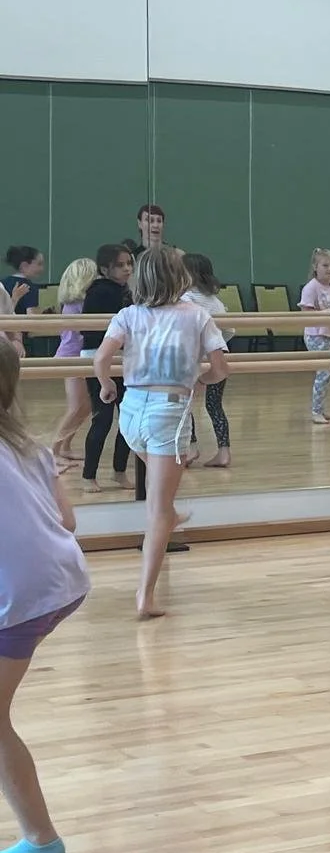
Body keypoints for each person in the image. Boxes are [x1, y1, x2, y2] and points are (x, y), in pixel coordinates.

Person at [94, 246, 229, 617]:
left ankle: (169, 513)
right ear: (180, 277)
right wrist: (201, 377)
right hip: (167, 415)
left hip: (131, 413)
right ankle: (145, 596)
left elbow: (101, 358)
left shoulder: (128, 314)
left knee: (165, 484)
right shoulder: (196, 316)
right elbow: (220, 369)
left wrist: (107, 385)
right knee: (158, 507)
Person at [0, 345, 91, 853]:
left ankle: (40, 840)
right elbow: (67, 520)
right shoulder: (27, 444)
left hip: (26, 594)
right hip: (64, 579)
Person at [80, 244, 135, 493]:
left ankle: (119, 471)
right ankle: (88, 476)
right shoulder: (99, 291)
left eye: (129, 264)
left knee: (128, 419)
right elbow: (91, 331)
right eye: (120, 265)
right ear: (105, 268)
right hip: (99, 358)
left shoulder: (126, 291)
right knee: (102, 419)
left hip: (123, 359)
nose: (127, 269)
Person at [180, 253, 235, 469]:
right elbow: (230, 329)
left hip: (196, 357)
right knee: (214, 405)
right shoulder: (215, 300)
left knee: (185, 404)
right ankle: (224, 452)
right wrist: (220, 344)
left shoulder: (185, 299)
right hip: (218, 353)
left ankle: (191, 447)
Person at [49, 258, 98, 470]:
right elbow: (78, 332)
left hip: (80, 356)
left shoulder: (80, 302)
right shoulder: (75, 304)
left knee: (86, 406)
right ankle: (53, 451)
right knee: (76, 406)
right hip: (72, 357)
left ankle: (66, 446)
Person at [300, 248, 330, 425]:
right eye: (325, 265)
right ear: (315, 267)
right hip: (316, 334)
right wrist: (324, 314)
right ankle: (316, 411)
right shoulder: (311, 287)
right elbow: (306, 310)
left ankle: (321, 409)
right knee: (324, 372)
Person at [2, 246, 44, 317]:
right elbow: (32, 317)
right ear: (24, 265)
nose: (42, 269)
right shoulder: (29, 287)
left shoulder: (2, 283)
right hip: (20, 327)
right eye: (39, 264)